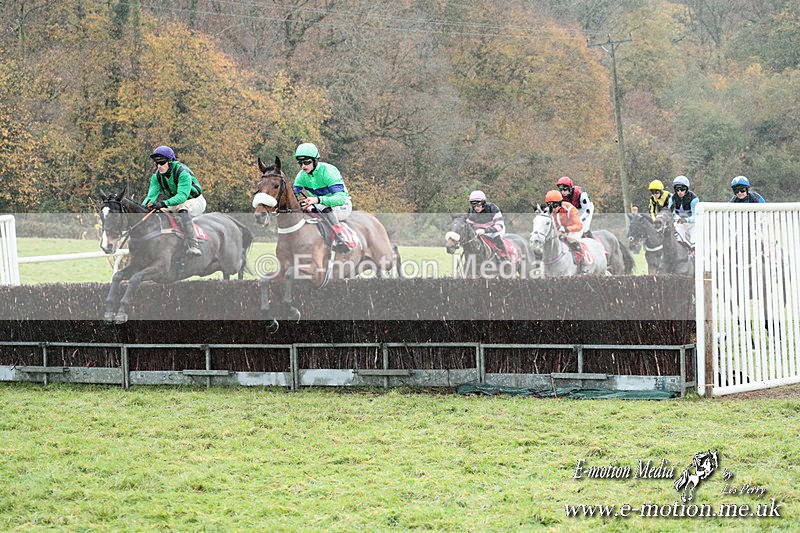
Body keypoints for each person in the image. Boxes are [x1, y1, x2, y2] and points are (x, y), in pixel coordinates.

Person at [144, 145, 206, 256]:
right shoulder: (156, 177)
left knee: (182, 210)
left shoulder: (182, 173)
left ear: (170, 161)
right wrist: (142, 208)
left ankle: (193, 244)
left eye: (162, 163)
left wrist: (163, 203)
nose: (159, 166)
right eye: (156, 163)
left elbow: (182, 196)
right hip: (177, 201)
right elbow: (150, 197)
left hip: (195, 200)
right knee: (160, 212)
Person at [292, 142, 353, 253]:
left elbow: (340, 199)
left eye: (307, 162)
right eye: (300, 163)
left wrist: (317, 199)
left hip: (341, 206)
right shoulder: (301, 176)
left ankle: (340, 237)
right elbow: (293, 196)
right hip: (319, 205)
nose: (303, 166)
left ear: (315, 160)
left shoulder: (329, 171)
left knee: (322, 206)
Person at [545, 189, 585, 271]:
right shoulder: (548, 211)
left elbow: (579, 226)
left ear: (560, 203)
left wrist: (566, 229)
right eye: (550, 206)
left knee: (572, 241)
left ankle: (582, 266)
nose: (553, 209)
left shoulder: (569, 208)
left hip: (574, 229)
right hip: (560, 230)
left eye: (555, 206)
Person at [466, 190, 507, 256]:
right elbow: (469, 224)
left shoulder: (492, 208)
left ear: (483, 203)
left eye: (478, 205)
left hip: (495, 230)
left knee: (497, 239)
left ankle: (505, 257)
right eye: (473, 205)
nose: (476, 208)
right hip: (480, 231)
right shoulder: (471, 211)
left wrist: (484, 231)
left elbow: (500, 226)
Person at [668, 175, 699, 246]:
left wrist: (686, 220)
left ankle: (694, 248)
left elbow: (696, 216)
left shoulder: (694, 199)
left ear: (687, 189)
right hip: (680, 223)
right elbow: (670, 212)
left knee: (694, 241)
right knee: (678, 240)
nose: (680, 192)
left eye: (682, 189)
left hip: (692, 224)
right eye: (677, 190)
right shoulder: (672, 198)